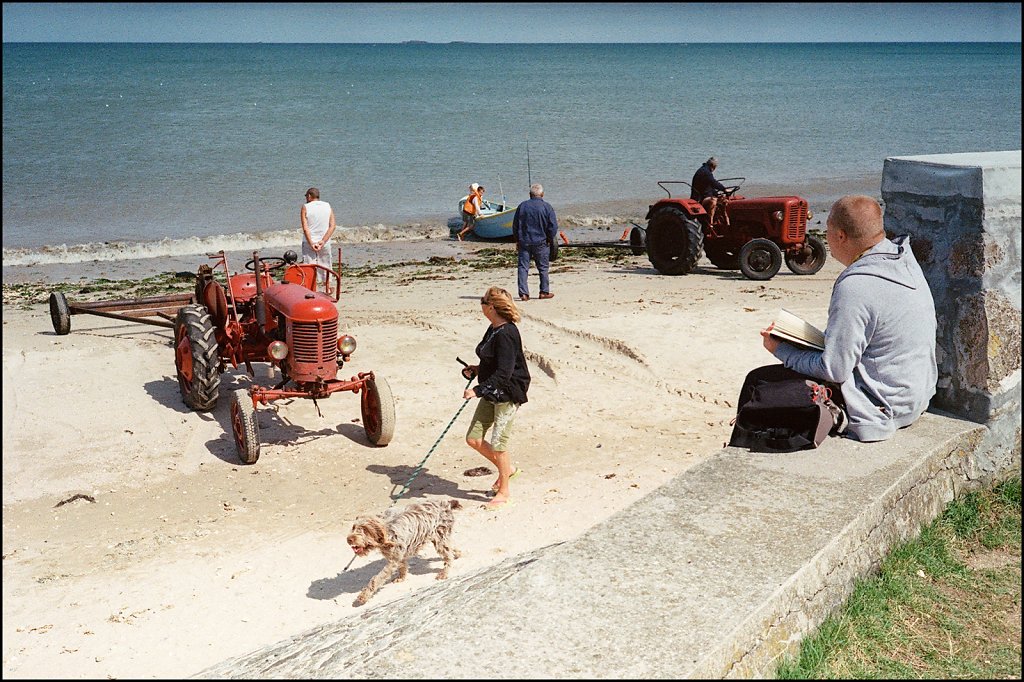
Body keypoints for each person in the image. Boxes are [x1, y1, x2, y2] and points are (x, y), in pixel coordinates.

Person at [756, 194, 937, 442]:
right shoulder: (903, 260)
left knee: (759, 383)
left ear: (840, 236)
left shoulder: (856, 286)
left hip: (881, 407)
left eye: (828, 229)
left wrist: (780, 349)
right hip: (915, 397)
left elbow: (834, 370)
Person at [461, 287, 531, 509]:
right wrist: (476, 369)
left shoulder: (508, 333)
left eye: (482, 302)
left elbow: (505, 373)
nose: (480, 306)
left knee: (500, 444)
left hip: (509, 393)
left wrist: (477, 390)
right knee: (474, 439)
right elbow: (493, 363)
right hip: (493, 389)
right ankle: (507, 470)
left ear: (490, 307)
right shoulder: (492, 329)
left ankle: (504, 492)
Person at [512, 183, 559, 301]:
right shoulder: (547, 207)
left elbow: (515, 226)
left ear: (530, 194)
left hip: (525, 241)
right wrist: (549, 238)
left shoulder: (522, 206)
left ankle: (523, 293)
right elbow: (553, 227)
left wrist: (517, 240)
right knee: (543, 268)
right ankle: (544, 291)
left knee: (523, 268)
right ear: (542, 194)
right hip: (541, 241)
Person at [300, 187, 337, 286]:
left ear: (309, 196)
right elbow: (332, 226)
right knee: (326, 264)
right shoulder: (327, 206)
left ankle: (311, 288)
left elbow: (305, 228)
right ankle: (328, 287)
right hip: (324, 242)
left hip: (309, 241)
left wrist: (311, 242)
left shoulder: (305, 207)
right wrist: (323, 241)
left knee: (309, 266)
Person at [691, 156, 730, 227]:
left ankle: (725, 222)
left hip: (706, 195)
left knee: (724, 200)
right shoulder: (705, 172)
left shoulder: (705, 171)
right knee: (713, 201)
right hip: (700, 198)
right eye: (715, 167)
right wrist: (724, 189)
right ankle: (710, 224)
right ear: (713, 166)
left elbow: (709, 187)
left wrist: (718, 193)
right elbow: (713, 183)